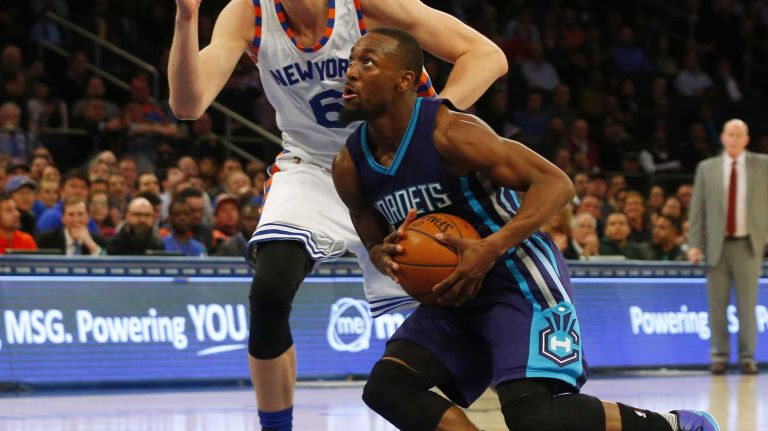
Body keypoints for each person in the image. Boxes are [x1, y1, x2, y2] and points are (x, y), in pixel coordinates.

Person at [333, 28, 720, 431]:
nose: (351, 73)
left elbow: (557, 184)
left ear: (406, 80)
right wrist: (381, 252)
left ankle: (674, 425)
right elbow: (367, 226)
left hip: (516, 279)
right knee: (388, 387)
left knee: (535, 417)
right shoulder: (349, 164)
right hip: (453, 294)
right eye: (351, 63)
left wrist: (490, 247)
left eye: (368, 62)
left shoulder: (451, 133)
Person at [168, 0, 507, 429]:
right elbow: (188, 104)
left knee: (459, 294)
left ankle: (523, 387)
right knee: (269, 291)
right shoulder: (248, 12)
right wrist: (186, 17)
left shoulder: (366, 5)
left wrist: (427, 127)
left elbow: (487, 56)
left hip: (393, 158)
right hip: (313, 165)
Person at [688, 119, 768, 375]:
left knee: (748, 305)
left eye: (739, 135)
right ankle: (718, 357)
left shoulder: (763, 165)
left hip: (748, 244)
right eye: (730, 134)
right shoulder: (707, 168)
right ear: (722, 138)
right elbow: (697, 208)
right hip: (716, 245)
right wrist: (694, 244)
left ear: (746, 139)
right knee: (717, 306)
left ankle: (748, 358)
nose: (734, 139)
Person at [36, 196, 106, 256]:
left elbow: (107, 267)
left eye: (80, 214)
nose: (76, 219)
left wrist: (91, 245)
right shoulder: (46, 240)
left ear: (88, 218)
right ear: (63, 218)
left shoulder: (98, 241)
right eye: (71, 214)